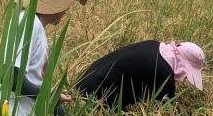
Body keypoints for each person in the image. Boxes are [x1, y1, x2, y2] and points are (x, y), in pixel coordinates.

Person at [8, 0, 88, 116]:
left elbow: (40, 90)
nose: (66, 9)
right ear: (54, 1)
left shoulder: (37, 28)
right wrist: (49, 96)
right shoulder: (27, 22)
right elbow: (9, 76)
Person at [75, 40, 204, 109]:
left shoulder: (154, 45)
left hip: (85, 78)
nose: (185, 77)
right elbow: (167, 111)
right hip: (92, 95)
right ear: (184, 64)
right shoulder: (163, 76)